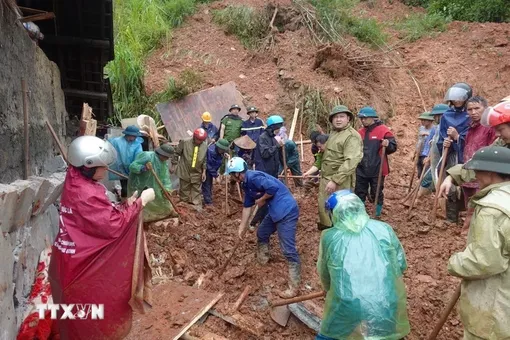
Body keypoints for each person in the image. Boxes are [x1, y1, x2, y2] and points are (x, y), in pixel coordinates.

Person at [49, 136, 156, 340]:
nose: (106, 170)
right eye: (102, 166)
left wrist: (127, 204)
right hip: (81, 268)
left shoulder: (75, 180)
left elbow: (99, 216)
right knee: (88, 319)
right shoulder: (86, 193)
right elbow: (113, 225)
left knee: (74, 319)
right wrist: (140, 202)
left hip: (68, 260)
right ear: (88, 166)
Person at [316, 190, 410, 340]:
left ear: (333, 214)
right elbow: (400, 265)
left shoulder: (330, 236)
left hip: (347, 302)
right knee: (388, 334)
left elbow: (325, 275)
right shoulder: (384, 228)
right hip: (387, 301)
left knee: (329, 334)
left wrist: (329, 291)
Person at [445, 146, 510, 340]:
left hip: (495, 304)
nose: (475, 177)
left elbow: (485, 261)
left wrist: (456, 263)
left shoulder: (492, 209)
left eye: (477, 172)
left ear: (490, 173)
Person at [226, 157, 301, 298]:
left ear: (238, 174)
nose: (231, 177)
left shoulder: (255, 178)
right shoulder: (246, 184)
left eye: (231, 174)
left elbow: (272, 188)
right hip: (274, 211)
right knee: (262, 232)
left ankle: (294, 286)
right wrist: (242, 227)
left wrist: (261, 199)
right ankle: (263, 260)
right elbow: (247, 206)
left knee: (288, 249)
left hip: (286, 211)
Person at [439, 98, 510, 198]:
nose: (497, 134)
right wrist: (451, 177)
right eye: (470, 109)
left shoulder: (491, 134)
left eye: (500, 130)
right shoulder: (501, 143)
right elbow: (483, 162)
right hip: (475, 180)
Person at [318, 105, 363, 230]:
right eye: (336, 117)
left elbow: (351, 161)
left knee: (339, 209)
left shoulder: (351, 136)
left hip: (339, 181)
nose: (338, 120)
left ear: (348, 119)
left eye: (342, 117)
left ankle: (340, 236)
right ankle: (328, 231)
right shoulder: (334, 132)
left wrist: (335, 180)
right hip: (326, 178)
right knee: (325, 208)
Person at [354, 106, 397, 217]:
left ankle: (376, 214)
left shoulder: (383, 130)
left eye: (365, 118)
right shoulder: (359, 133)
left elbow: (393, 146)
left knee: (376, 192)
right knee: (360, 191)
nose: (362, 120)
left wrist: (388, 144)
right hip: (361, 167)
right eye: (361, 118)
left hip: (377, 168)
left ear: (372, 118)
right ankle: (360, 213)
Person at [128, 143, 178, 222]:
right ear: (161, 153)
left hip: (155, 184)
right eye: (165, 157)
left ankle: (161, 214)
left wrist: (167, 189)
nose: (166, 159)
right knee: (143, 201)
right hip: (142, 184)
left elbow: (165, 177)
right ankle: (142, 219)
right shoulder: (147, 156)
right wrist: (143, 168)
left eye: (167, 157)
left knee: (160, 199)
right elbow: (132, 166)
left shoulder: (163, 163)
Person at [437, 82, 473, 164]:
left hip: (466, 157)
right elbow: (441, 137)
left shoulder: (471, 114)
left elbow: (473, 137)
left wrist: (458, 137)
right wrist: (444, 142)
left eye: (460, 97)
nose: (457, 100)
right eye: (454, 98)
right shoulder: (446, 115)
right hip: (450, 155)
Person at [173, 128, 208, 206]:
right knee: (184, 190)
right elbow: (176, 153)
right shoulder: (185, 142)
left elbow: (205, 159)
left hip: (197, 171)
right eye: (198, 140)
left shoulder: (204, 146)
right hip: (185, 169)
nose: (199, 142)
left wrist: (204, 172)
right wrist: (174, 164)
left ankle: (196, 207)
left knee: (196, 191)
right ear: (194, 137)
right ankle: (184, 206)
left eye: (201, 140)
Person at [108, 125, 143, 198]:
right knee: (125, 188)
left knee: (134, 189)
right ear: (127, 134)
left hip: (133, 169)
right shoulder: (116, 141)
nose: (132, 138)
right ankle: (124, 204)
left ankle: (132, 204)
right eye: (131, 136)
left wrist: (138, 167)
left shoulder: (137, 144)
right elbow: (108, 148)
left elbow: (139, 156)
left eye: (134, 136)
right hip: (120, 169)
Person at [202, 138, 230, 205]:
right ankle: (208, 202)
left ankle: (208, 198)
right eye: (221, 149)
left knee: (209, 184)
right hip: (207, 170)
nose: (222, 150)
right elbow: (208, 165)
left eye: (223, 150)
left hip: (212, 170)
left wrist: (226, 156)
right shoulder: (211, 151)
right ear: (218, 146)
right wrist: (216, 175)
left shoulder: (221, 152)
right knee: (207, 185)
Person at [415, 112, 434, 177]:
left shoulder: (434, 129)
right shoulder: (421, 128)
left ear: (430, 121)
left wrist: (427, 134)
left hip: (427, 155)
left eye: (424, 120)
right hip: (419, 153)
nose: (422, 122)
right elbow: (419, 140)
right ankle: (419, 186)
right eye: (421, 120)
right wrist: (415, 151)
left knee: (425, 173)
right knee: (419, 173)